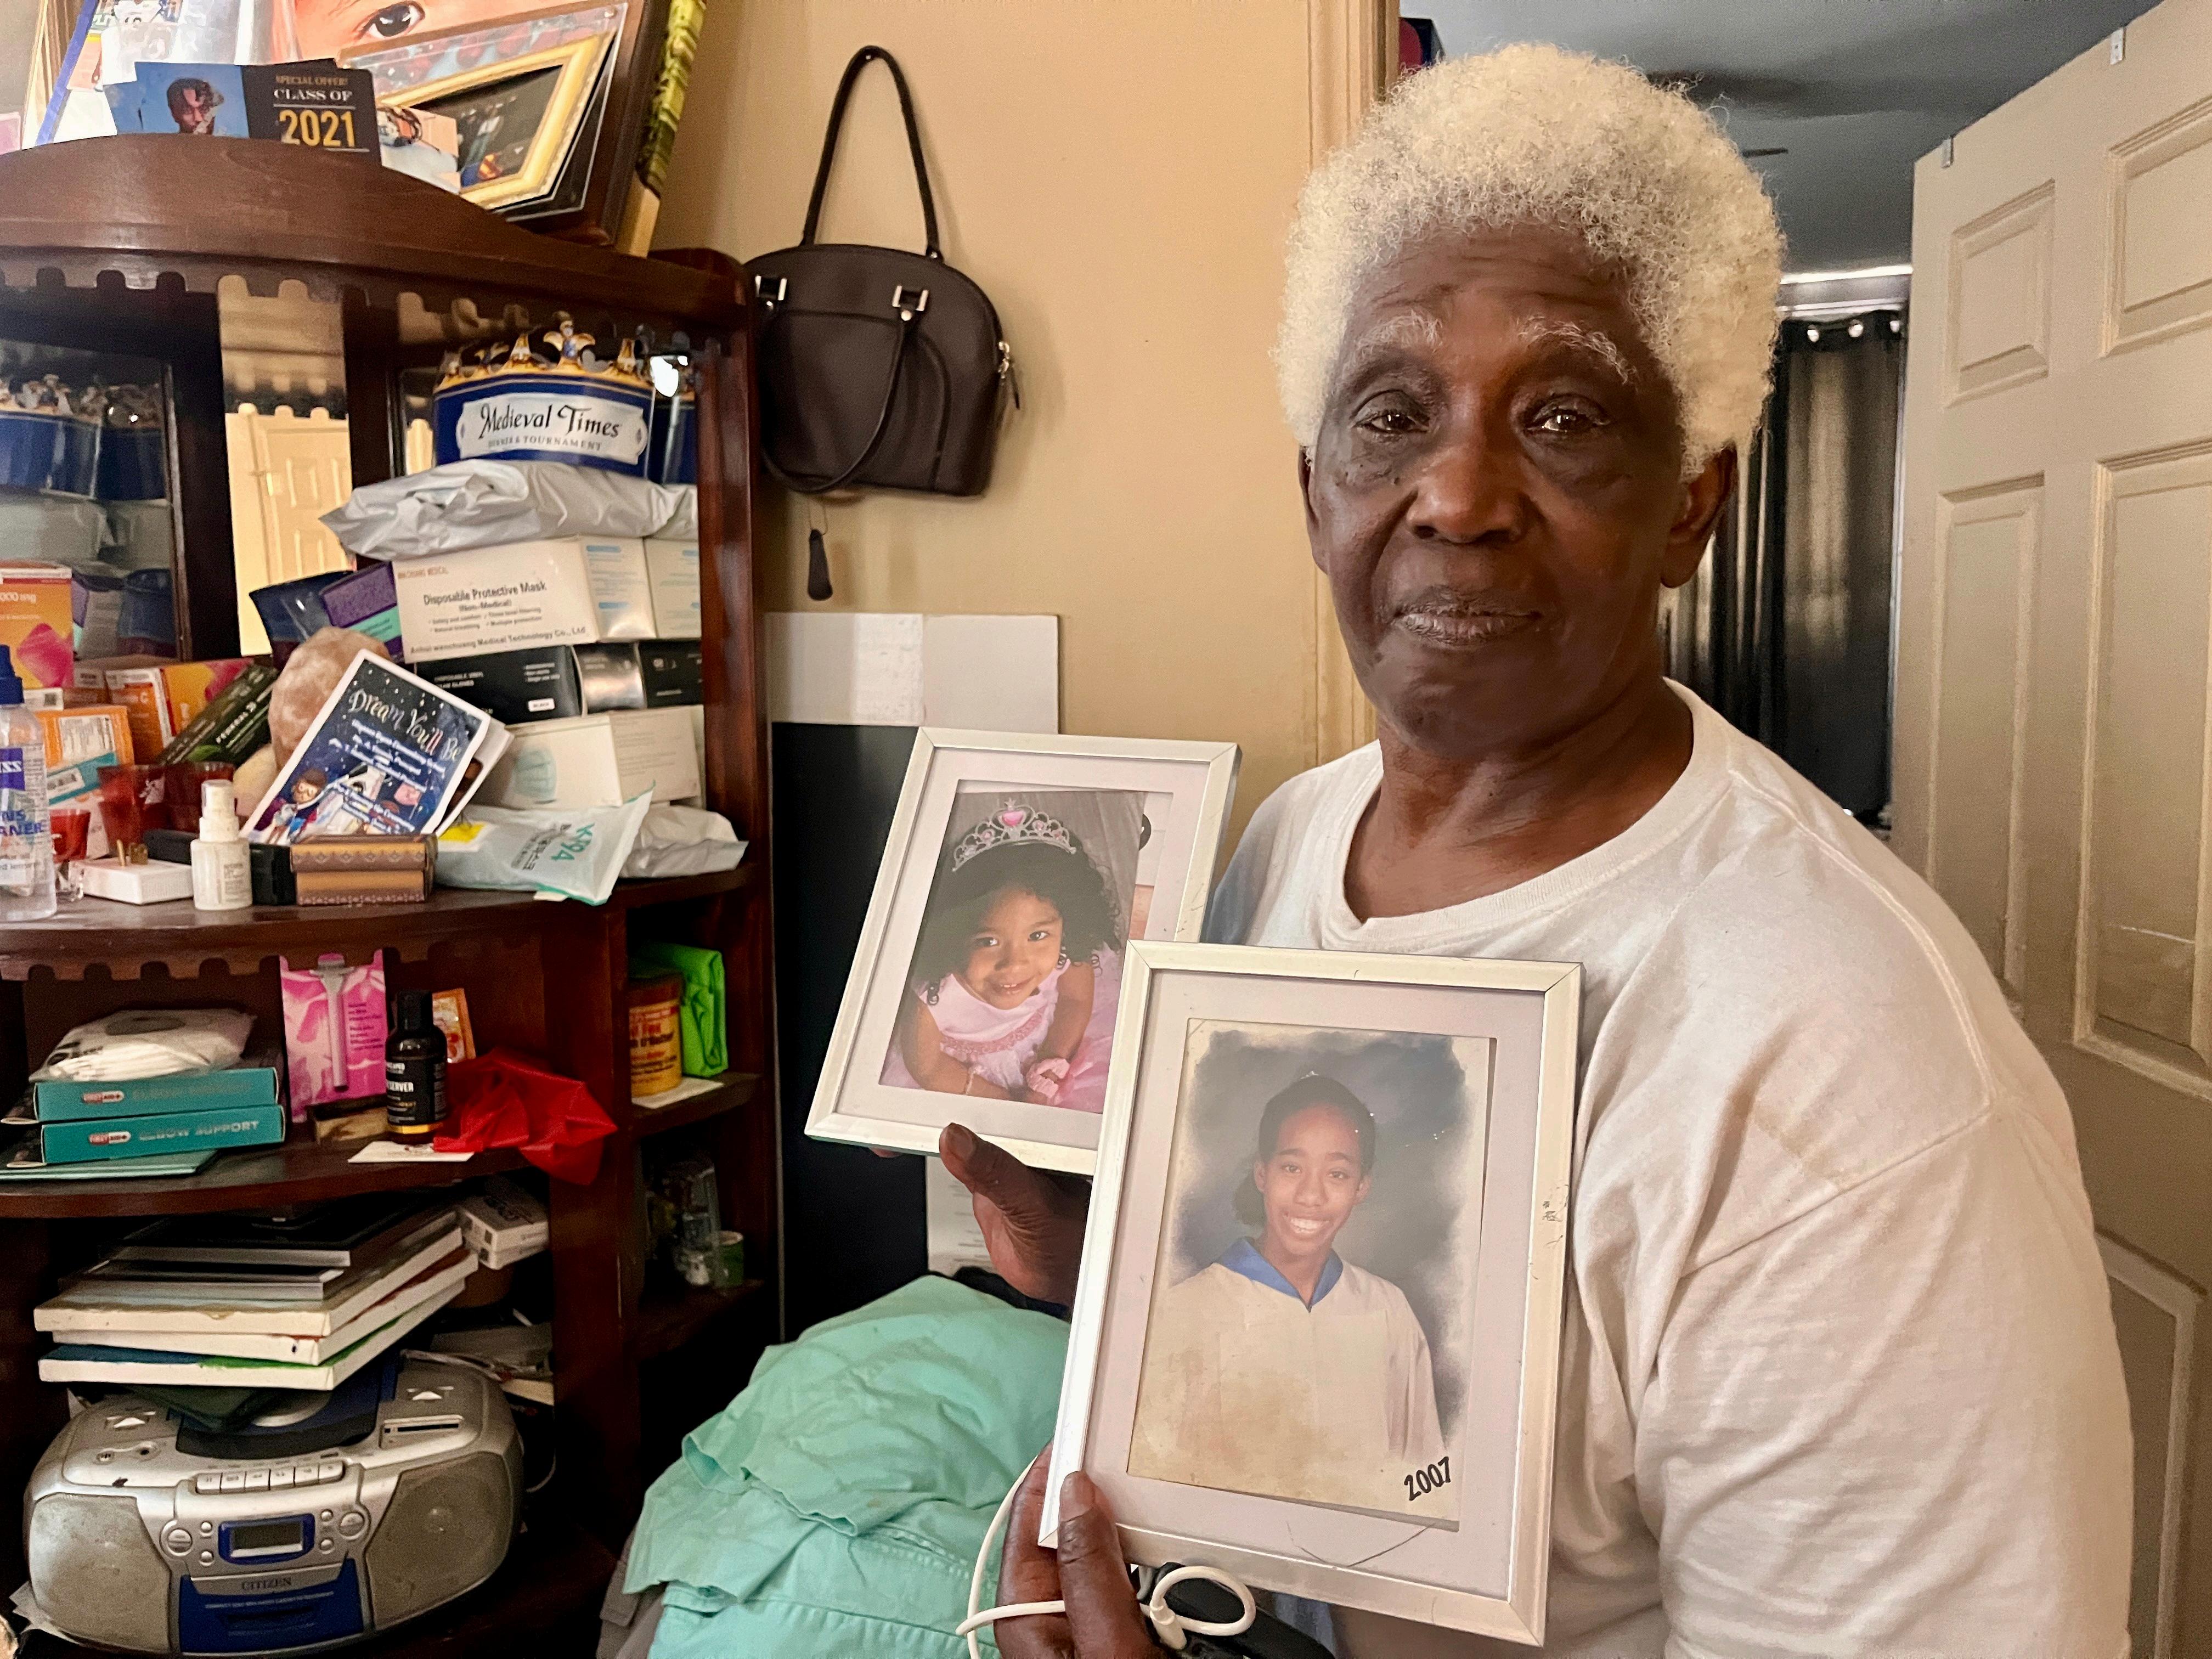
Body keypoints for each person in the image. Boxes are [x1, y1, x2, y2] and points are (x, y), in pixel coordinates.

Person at [942, 42, 2131, 1659]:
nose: (1458, 494)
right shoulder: (1290, 845)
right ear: (1316, 493)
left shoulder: (1855, 1078)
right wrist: (1117, 1268)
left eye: (1563, 417)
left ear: (1692, 504)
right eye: (1392, 415)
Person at [1128, 1075, 1444, 1514]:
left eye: (1337, 1174)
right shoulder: (1186, 1313)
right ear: (1262, 1173)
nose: (1311, 1195)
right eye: (1292, 1168)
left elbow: (1424, 1472)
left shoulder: (1387, 1311)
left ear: (1362, 1187)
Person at [889, 805, 1121, 1105]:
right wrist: (1008, 1103)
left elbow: (1075, 1001)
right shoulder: (932, 997)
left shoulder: (1066, 952)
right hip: (964, 1080)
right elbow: (930, 1068)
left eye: (1037, 936)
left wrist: (1047, 1072)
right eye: (988, 941)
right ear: (951, 935)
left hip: (1050, 1043)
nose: (1015, 964)